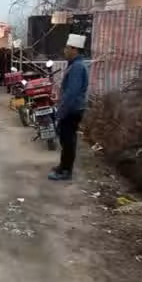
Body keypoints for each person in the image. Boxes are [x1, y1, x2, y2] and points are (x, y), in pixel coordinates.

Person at [48, 34, 89, 181]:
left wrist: (61, 112)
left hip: (72, 109)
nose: (64, 51)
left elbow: (72, 93)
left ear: (74, 49)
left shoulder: (77, 67)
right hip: (72, 108)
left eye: (67, 48)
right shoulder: (74, 65)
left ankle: (66, 171)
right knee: (66, 140)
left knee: (68, 141)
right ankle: (63, 166)